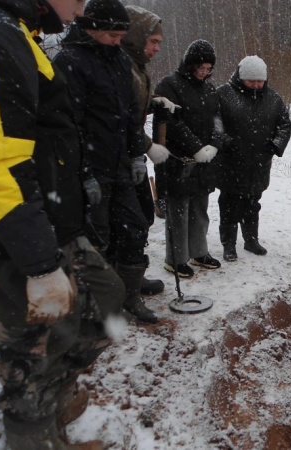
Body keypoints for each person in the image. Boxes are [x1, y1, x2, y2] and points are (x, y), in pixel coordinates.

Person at [0, 0, 125, 448]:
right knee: (31, 351)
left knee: (104, 301)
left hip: (49, 216)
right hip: (19, 229)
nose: (82, 4)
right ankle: (32, 430)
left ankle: (54, 397)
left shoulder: (13, 30)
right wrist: (38, 263)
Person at [54, 0, 159, 323]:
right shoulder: (70, 61)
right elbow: (71, 125)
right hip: (91, 170)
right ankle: (95, 306)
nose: (117, 41)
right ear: (92, 29)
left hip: (121, 167)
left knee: (135, 227)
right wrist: (84, 173)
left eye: (120, 35)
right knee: (96, 238)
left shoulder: (117, 60)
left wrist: (136, 155)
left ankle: (129, 296)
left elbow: (129, 114)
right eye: (112, 35)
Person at [154, 40, 224, 277]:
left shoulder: (210, 89)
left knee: (200, 207)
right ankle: (175, 258)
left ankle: (198, 251)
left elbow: (217, 119)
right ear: (190, 64)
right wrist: (195, 148)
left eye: (209, 69)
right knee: (179, 210)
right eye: (201, 68)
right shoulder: (170, 85)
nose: (205, 73)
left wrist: (214, 144)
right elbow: (172, 123)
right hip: (177, 160)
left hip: (204, 161)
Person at [215, 55, 291, 262]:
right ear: (241, 78)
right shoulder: (223, 95)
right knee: (229, 204)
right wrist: (225, 141)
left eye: (260, 81)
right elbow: (214, 122)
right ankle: (228, 244)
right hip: (230, 162)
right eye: (252, 81)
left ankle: (251, 240)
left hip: (259, 162)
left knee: (252, 202)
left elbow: (284, 125)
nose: (257, 85)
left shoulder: (273, 98)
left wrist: (275, 145)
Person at [121, 4, 172, 296]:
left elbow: (133, 104)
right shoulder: (122, 65)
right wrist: (147, 145)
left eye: (159, 43)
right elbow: (119, 116)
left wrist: (154, 102)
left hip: (132, 153)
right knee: (129, 222)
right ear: (137, 37)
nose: (156, 49)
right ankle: (125, 289)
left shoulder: (136, 66)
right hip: (120, 156)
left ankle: (133, 279)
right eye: (153, 42)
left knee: (141, 217)